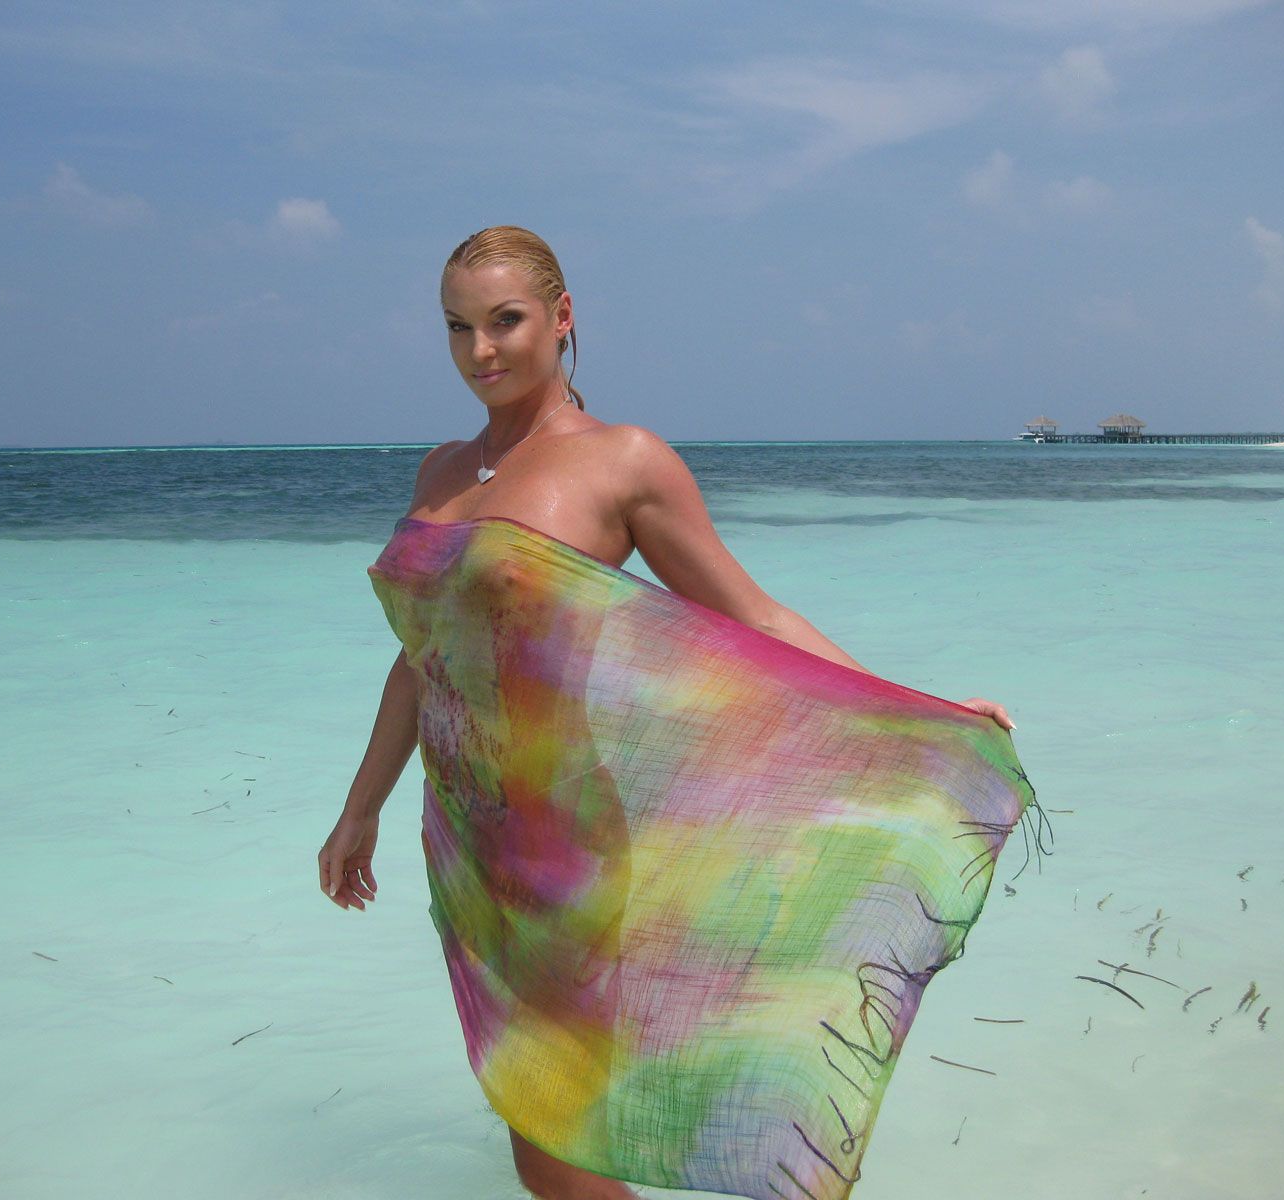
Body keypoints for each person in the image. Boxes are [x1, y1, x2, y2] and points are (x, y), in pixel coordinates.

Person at [318, 226, 1015, 1200]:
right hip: (466, 847)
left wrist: (917, 713)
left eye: (505, 321)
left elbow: (753, 615)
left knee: (551, 1143)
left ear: (562, 317)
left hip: (562, 848)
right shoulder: (439, 471)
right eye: (457, 327)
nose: (480, 350)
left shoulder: (623, 461)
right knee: (538, 1125)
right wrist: (360, 810)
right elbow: (419, 660)